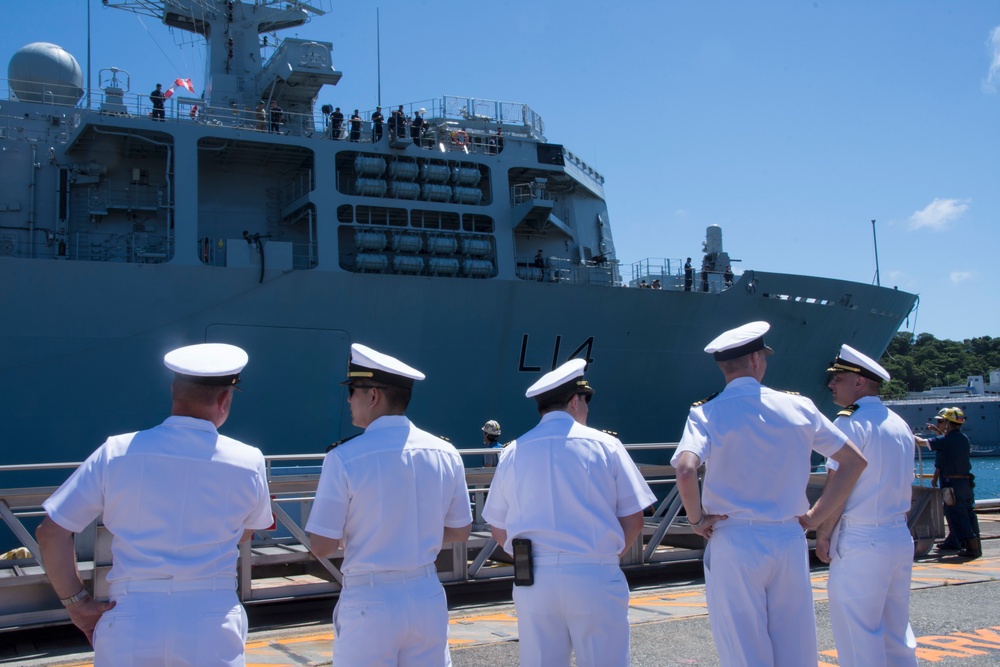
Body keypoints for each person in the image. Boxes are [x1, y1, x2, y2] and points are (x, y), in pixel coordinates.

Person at [35, 343, 272, 665]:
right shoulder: (249, 460)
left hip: (131, 615)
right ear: (224, 398)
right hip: (211, 616)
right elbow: (247, 532)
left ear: (174, 391)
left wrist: (77, 604)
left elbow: (51, 533)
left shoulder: (116, 452)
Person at [671, 321, 867, 667]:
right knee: (796, 647)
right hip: (789, 534)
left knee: (745, 650)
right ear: (757, 360)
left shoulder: (706, 411)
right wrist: (816, 516)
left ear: (724, 367)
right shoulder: (800, 406)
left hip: (733, 537)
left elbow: (686, 469)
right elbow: (853, 462)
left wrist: (697, 519)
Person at [305, 343, 472, 666]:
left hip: (370, 600)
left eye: (352, 390)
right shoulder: (445, 453)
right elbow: (461, 530)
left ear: (373, 395)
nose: (349, 399)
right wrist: (412, 534)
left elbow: (322, 545)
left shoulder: (344, 457)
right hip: (426, 594)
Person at [483, 359, 656, 667]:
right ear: (575, 401)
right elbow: (635, 519)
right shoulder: (607, 446)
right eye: (585, 402)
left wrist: (529, 557)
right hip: (595, 572)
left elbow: (497, 526)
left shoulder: (512, 452)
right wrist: (604, 557)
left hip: (534, 579)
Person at [817, 344, 918, 667]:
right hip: (899, 536)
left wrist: (823, 531)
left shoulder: (849, 423)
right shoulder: (899, 423)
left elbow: (838, 484)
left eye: (838, 378)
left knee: (859, 633)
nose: (831, 384)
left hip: (862, 539)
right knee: (896, 631)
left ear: (859, 383)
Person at [916, 407, 981, 558]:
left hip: (953, 485)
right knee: (969, 514)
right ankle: (975, 546)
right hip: (965, 484)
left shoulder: (946, 440)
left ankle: (970, 548)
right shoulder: (963, 439)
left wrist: (905, 432)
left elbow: (921, 442)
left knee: (957, 515)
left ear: (948, 423)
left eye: (941, 421)